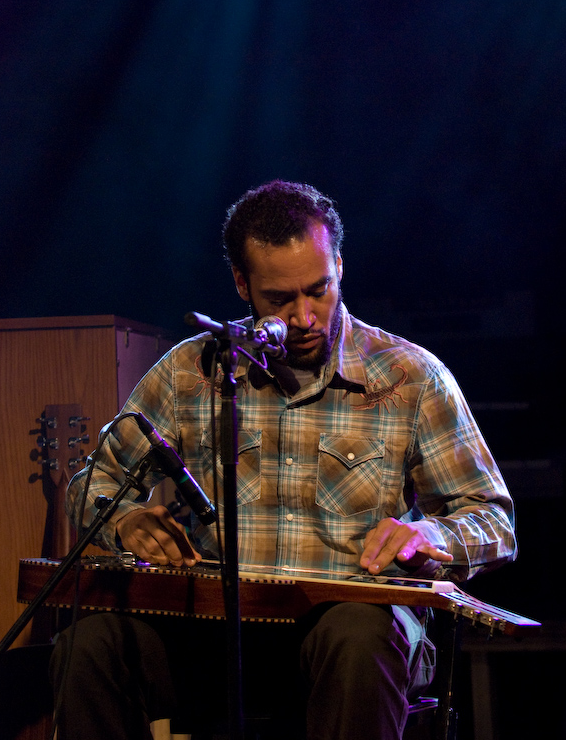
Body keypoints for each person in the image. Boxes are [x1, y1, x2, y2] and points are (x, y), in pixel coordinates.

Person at [50, 180, 517, 740]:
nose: (304, 317)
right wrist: (124, 522)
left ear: (339, 266)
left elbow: (494, 521)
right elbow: (91, 484)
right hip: (218, 633)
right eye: (279, 299)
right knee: (88, 645)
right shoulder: (190, 373)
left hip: (350, 634)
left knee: (357, 635)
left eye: (319, 290)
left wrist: (430, 535)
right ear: (241, 284)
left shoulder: (410, 377)